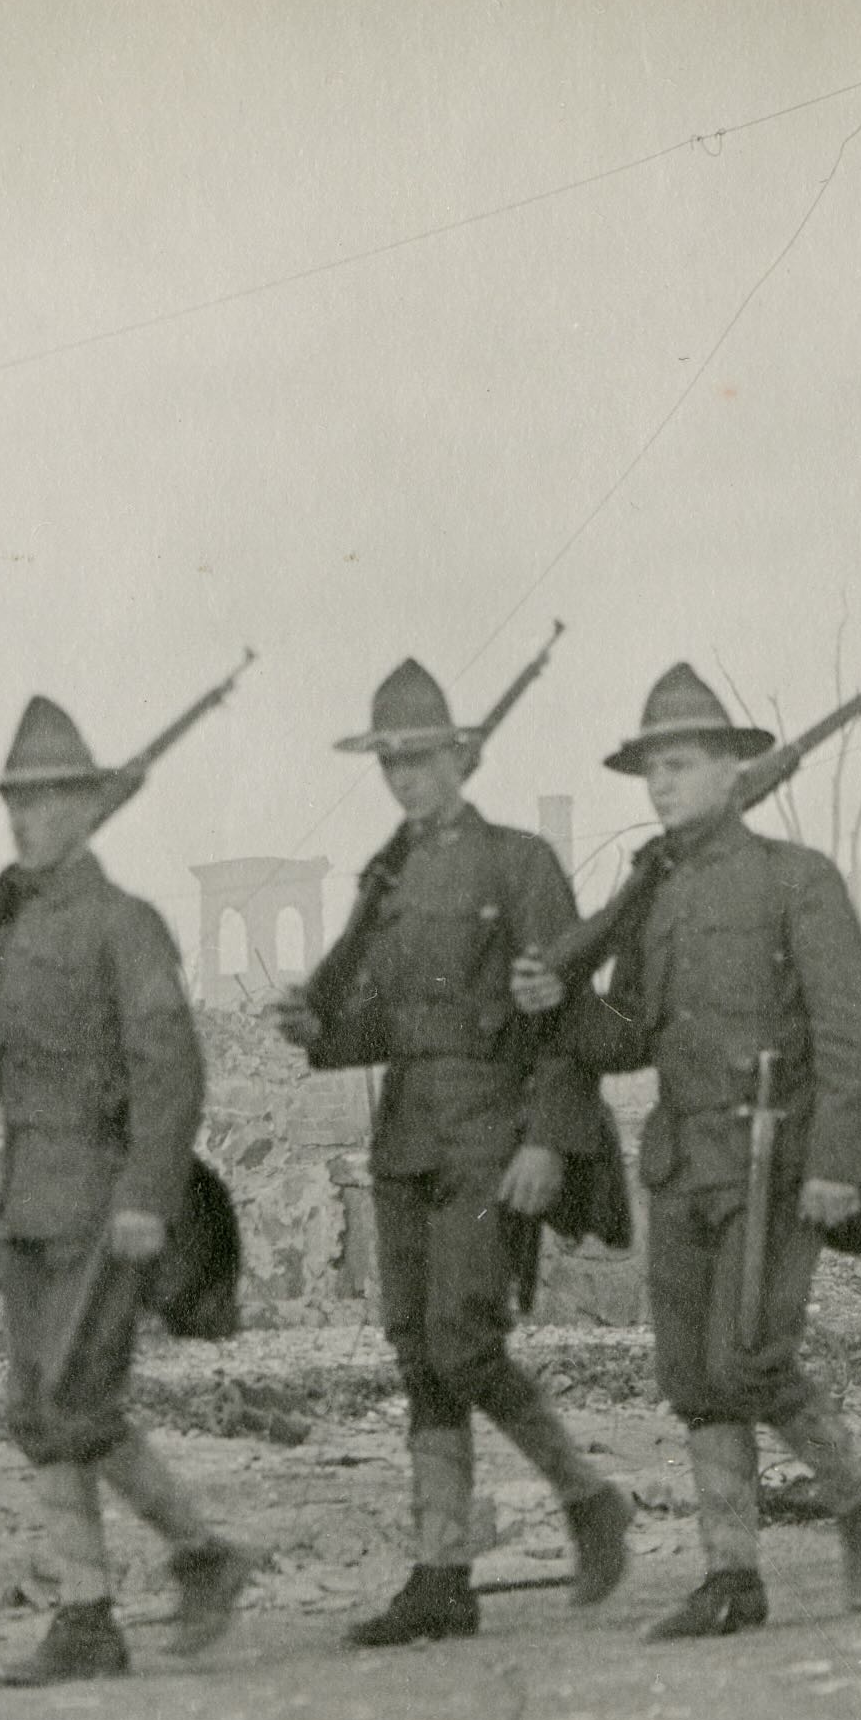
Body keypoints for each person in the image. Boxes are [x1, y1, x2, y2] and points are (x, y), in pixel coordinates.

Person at [510, 663, 861, 1637]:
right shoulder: (659, 897)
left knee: (752, 1357)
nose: (662, 786)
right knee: (694, 1378)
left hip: (778, 1157)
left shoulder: (796, 881)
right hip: (682, 1164)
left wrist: (837, 1166)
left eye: (681, 765)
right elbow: (630, 1034)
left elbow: (854, 1034)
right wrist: (560, 1007)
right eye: (653, 771)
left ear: (737, 768)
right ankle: (733, 1577)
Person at [0, 695, 265, 1685]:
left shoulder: (124, 925)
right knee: (39, 1406)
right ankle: (99, 1609)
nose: (27, 819)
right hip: (30, 1199)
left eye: (49, 802)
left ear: (91, 810)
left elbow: (170, 1068)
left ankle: (182, 1562)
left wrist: (148, 1192)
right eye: (17, 802)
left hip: (103, 1200)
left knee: (72, 1400)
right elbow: (4, 1073)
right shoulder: (12, 929)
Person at [270, 659, 633, 1645]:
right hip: (408, 1136)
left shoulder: (519, 864)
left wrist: (551, 1141)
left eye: (421, 758)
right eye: (390, 762)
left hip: (493, 1130)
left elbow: (565, 1014)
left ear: (459, 758)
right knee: (419, 1357)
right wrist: (314, 1027)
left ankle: (587, 1494)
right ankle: (442, 1575)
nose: (405, 778)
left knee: (464, 1338)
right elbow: (379, 1023)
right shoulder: (385, 882)